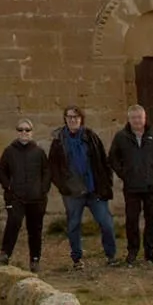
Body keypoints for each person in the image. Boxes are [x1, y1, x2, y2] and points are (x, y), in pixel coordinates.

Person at [48, 105, 118, 269]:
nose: (73, 120)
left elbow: (103, 161)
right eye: (69, 117)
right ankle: (77, 259)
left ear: (81, 119)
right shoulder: (59, 141)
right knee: (73, 226)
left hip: (94, 190)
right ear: (65, 119)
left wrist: (106, 184)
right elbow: (53, 168)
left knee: (106, 223)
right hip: (72, 192)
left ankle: (111, 255)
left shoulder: (90, 137)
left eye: (76, 117)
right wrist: (63, 186)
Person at [109, 104, 153, 265]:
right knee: (132, 220)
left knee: (152, 220)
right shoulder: (121, 137)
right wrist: (124, 174)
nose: (137, 120)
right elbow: (113, 158)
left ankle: (150, 252)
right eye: (134, 118)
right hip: (132, 186)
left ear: (144, 118)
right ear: (129, 119)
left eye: (139, 117)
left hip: (151, 186)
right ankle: (132, 252)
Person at [0, 117, 50, 273]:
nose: (24, 132)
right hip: (16, 197)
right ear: (17, 132)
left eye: (27, 130)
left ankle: (35, 260)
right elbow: (1, 170)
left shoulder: (39, 152)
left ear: (31, 132)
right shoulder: (9, 151)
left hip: (36, 198)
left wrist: (43, 189)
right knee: (13, 223)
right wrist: (8, 186)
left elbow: (47, 171)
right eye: (20, 130)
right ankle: (5, 254)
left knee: (35, 230)